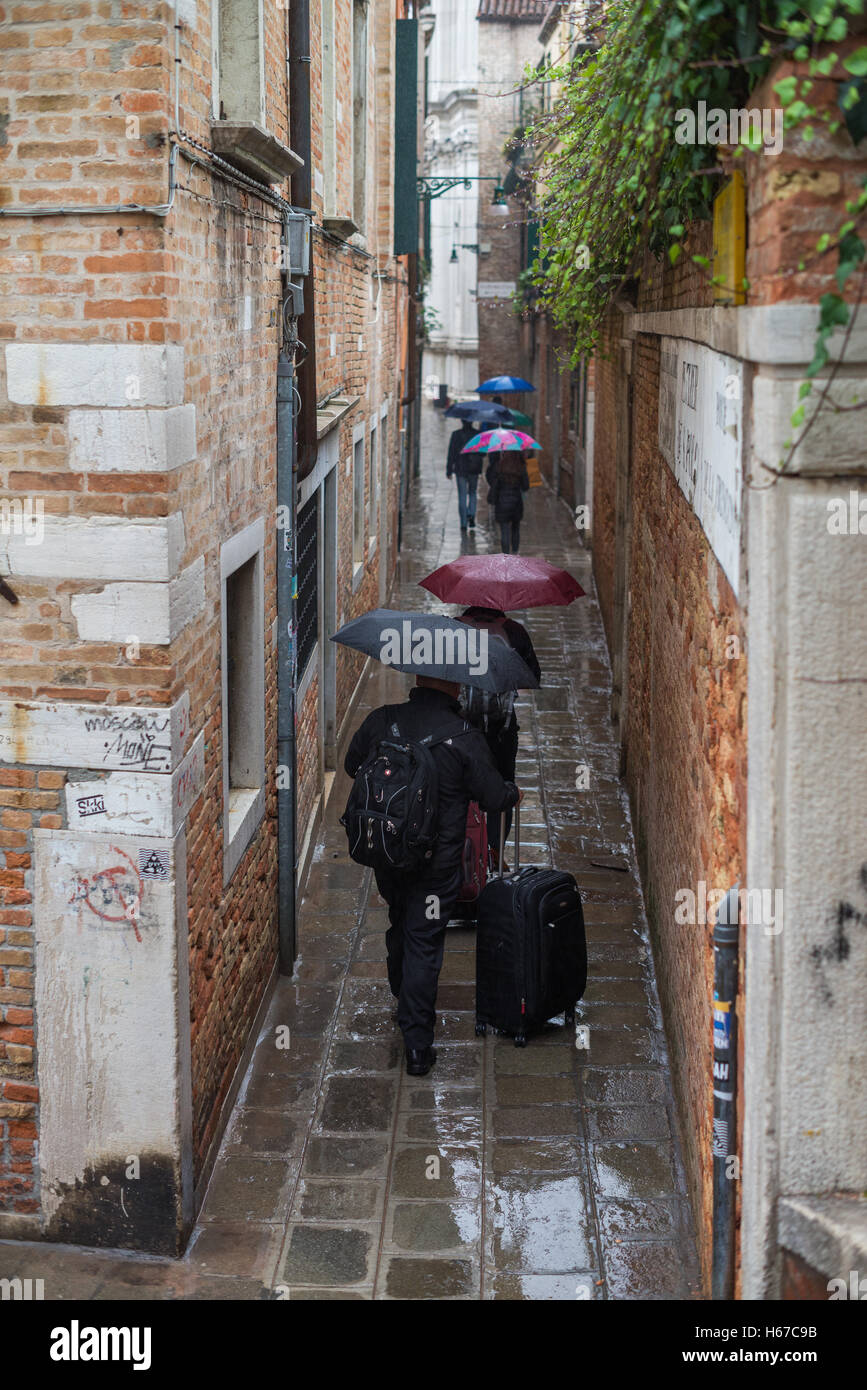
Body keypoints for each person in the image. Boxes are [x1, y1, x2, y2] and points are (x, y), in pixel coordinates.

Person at [344, 675, 521, 1076]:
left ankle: (401, 995)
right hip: (436, 866)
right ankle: (418, 1047)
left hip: (388, 854)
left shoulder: (382, 720)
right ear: (454, 688)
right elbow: (494, 797)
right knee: (424, 940)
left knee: (398, 920)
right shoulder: (463, 737)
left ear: (417, 679)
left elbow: (352, 764)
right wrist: (513, 793)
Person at [458, 607, 541, 866]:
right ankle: (494, 851)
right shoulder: (514, 631)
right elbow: (532, 677)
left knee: (459, 784)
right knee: (503, 788)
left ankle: (463, 845)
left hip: (461, 727)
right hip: (501, 730)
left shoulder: (455, 628)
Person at [486, 449, 529, 553]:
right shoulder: (520, 467)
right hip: (516, 503)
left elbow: (491, 480)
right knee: (515, 529)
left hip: (502, 503)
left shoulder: (499, 466)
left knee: (504, 531)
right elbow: (526, 486)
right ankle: (515, 552)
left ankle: (506, 555)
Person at [446, 419, 483, 532]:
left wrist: (449, 469)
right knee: (472, 492)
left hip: (460, 468)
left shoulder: (456, 435)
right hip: (474, 468)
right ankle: (471, 513)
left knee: (462, 495)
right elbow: (483, 453)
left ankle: (463, 523)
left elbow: (451, 453)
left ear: (462, 422)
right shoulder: (478, 435)